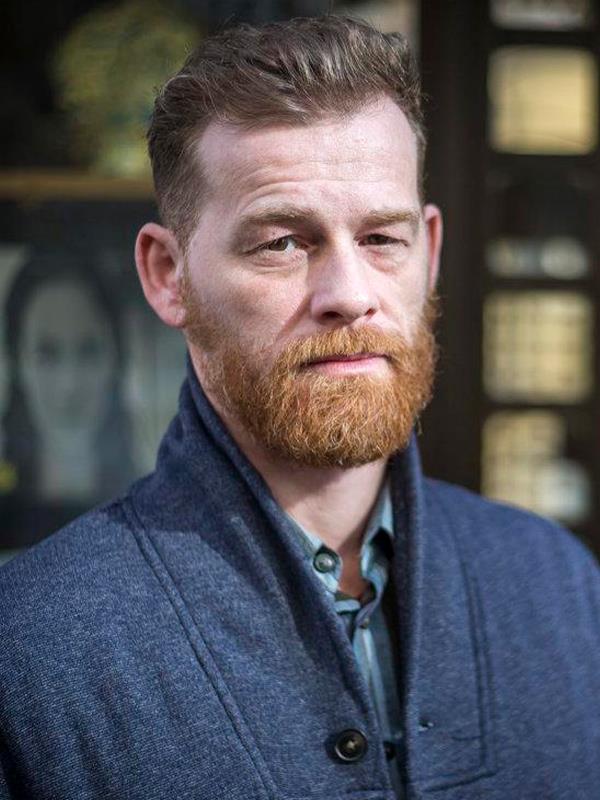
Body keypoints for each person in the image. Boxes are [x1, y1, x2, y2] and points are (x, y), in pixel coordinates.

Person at [0, 16, 598, 800]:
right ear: (168, 276)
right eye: (281, 242)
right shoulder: (31, 651)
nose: (349, 294)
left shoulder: (558, 586)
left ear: (430, 253)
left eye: (382, 238)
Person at [0, 252, 134, 547]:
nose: (69, 386)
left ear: (116, 359)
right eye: (46, 355)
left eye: (88, 351)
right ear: (18, 364)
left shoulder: (151, 496)